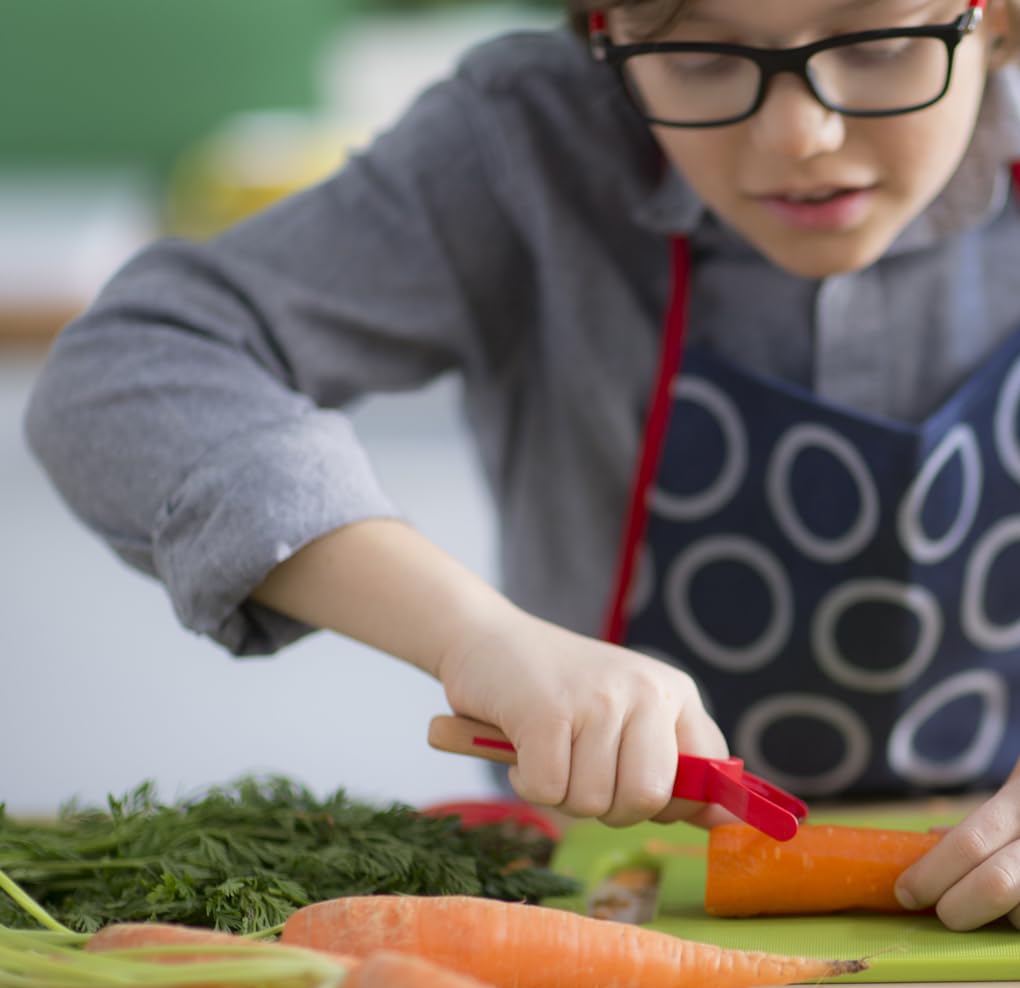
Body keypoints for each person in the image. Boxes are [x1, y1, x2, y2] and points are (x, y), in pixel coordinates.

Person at [24, 0, 1020, 931]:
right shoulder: (526, 148)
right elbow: (128, 365)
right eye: (702, 56)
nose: (802, 135)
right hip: (604, 895)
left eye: (883, 44)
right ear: (603, 28)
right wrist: (473, 635)